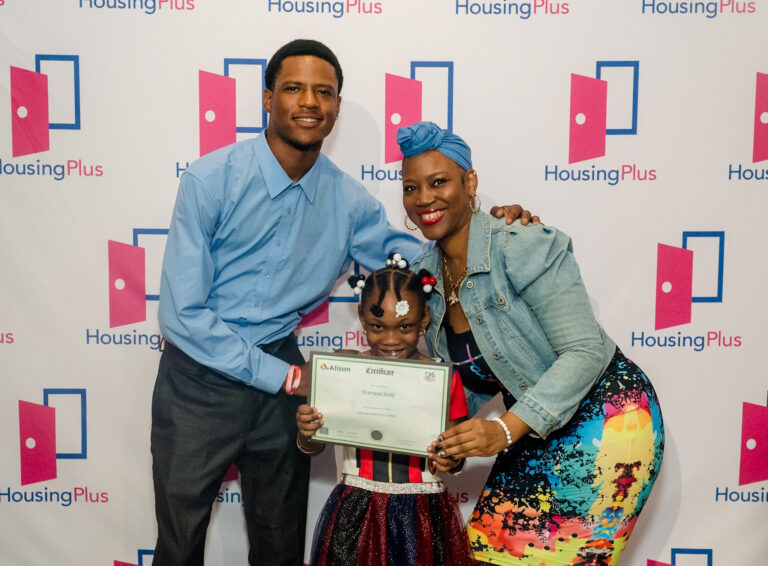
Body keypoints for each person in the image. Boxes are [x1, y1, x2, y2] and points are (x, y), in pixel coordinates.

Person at [151, 40, 533, 566]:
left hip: (283, 380)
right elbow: (181, 314)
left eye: (323, 92)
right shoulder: (209, 180)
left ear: (335, 105)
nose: (309, 102)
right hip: (199, 380)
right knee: (179, 545)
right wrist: (287, 377)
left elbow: (428, 259)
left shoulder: (349, 203)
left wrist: (494, 226)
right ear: (267, 98)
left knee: (279, 543)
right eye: (293, 88)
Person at [399, 121, 665, 566]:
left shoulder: (521, 244)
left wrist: (502, 430)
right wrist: (453, 443)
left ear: (471, 182)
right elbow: (480, 377)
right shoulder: (425, 277)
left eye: (439, 181)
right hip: (534, 427)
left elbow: (585, 352)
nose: (424, 198)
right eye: (411, 187)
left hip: (609, 419)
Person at [296, 256, 476, 566]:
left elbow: (456, 457)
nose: (391, 339)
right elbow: (313, 445)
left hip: (422, 514)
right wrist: (307, 433)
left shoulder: (444, 378)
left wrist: (451, 457)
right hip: (356, 509)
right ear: (363, 320)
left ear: (424, 319)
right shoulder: (343, 370)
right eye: (378, 327)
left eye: (404, 326)